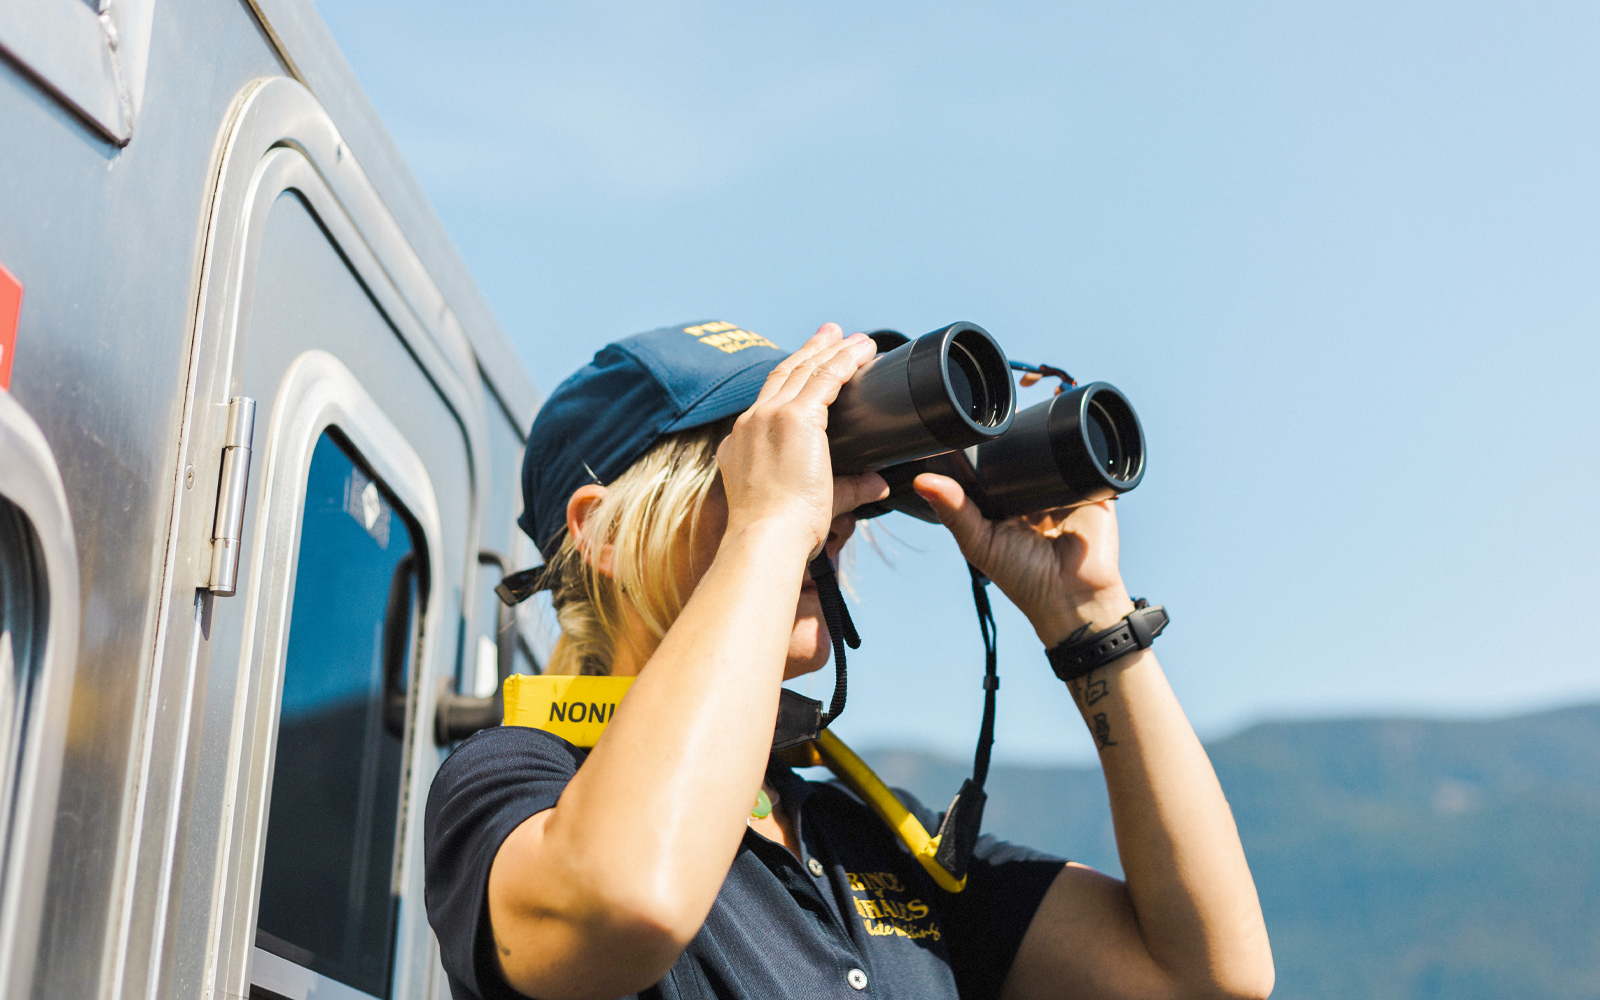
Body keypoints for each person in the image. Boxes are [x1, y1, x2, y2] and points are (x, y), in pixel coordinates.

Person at [424, 321, 1274, 1000]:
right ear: (602, 533)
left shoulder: (867, 842)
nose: (823, 511)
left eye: (829, 471)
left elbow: (1206, 977)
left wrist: (1090, 621)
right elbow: (626, 901)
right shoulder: (517, 784)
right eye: (757, 465)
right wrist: (769, 527)